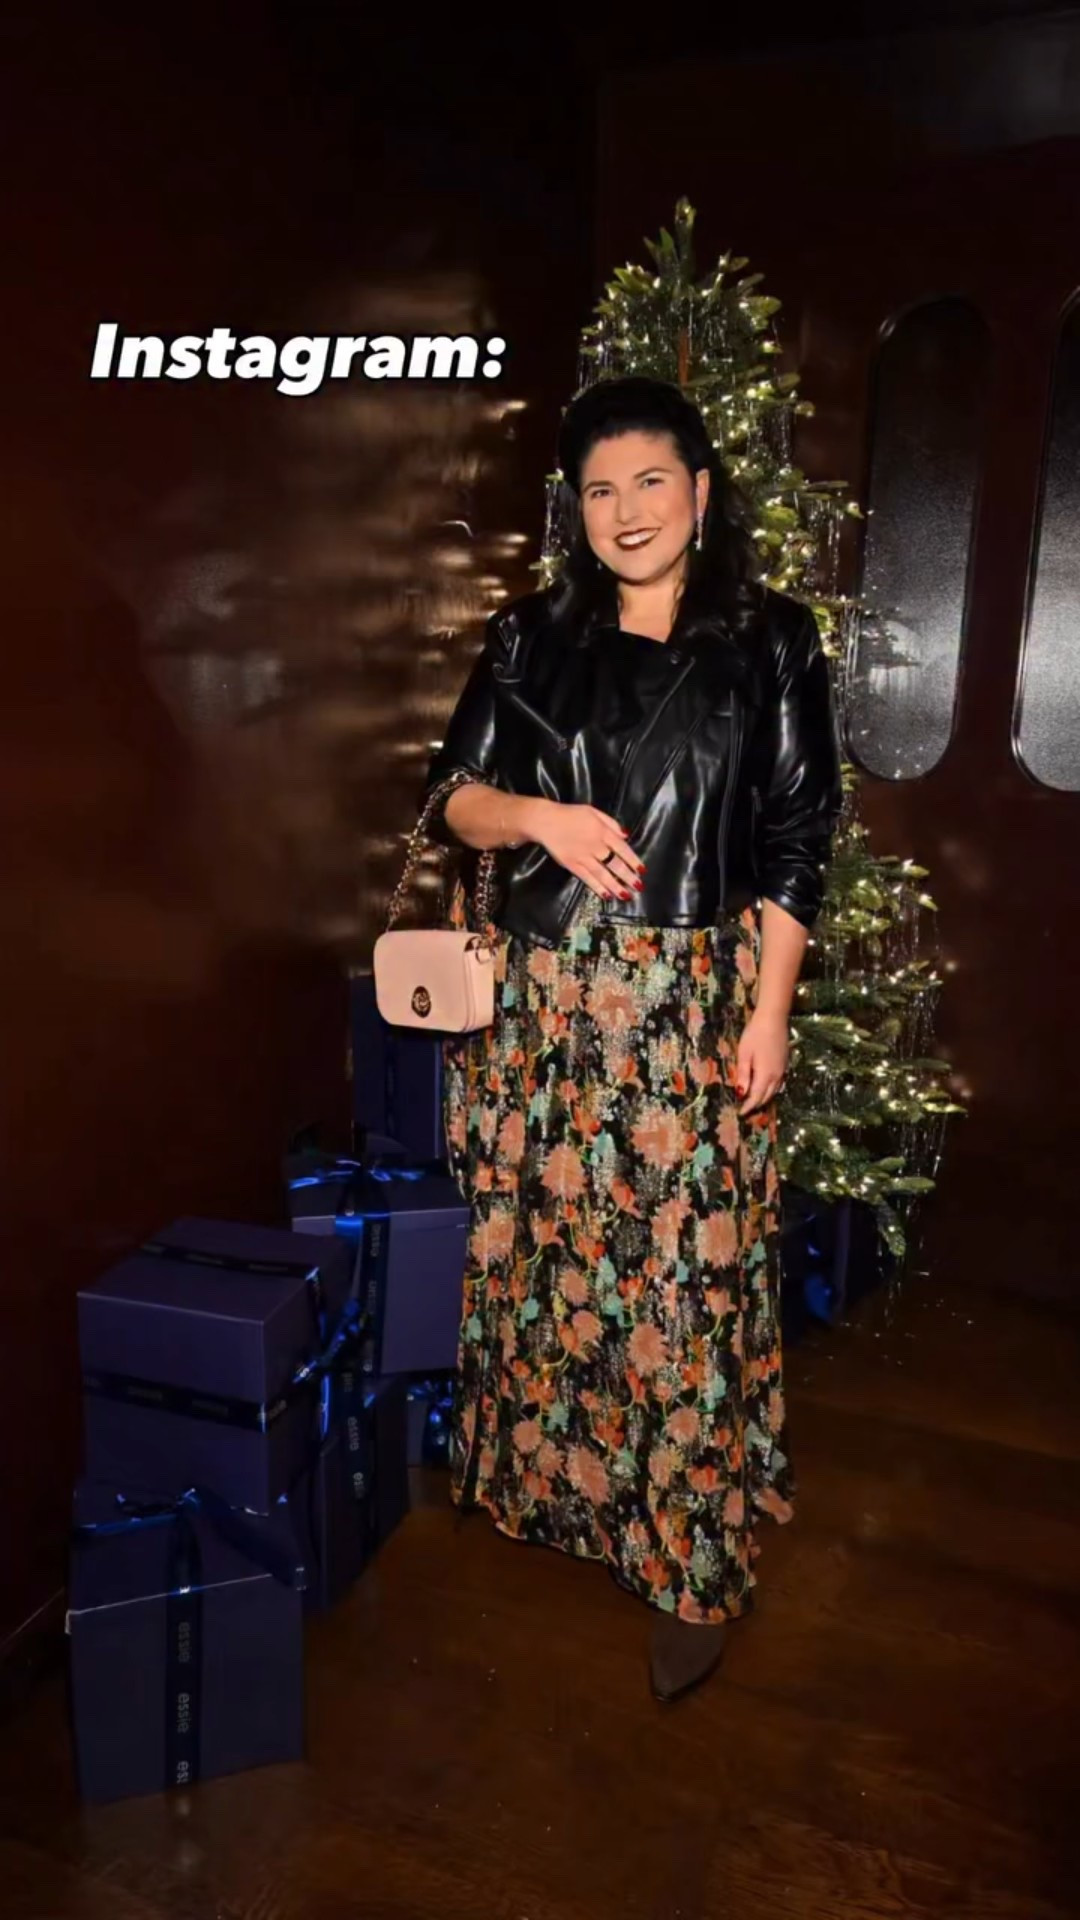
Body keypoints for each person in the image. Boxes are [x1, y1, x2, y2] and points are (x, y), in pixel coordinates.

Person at [418, 374, 844, 1702]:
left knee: (684, 1287)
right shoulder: (529, 636)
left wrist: (769, 1009)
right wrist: (537, 819)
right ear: (577, 510)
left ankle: (687, 1558)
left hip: (692, 1008)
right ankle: (560, 1502)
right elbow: (453, 802)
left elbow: (796, 838)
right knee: (547, 1270)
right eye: (600, 489)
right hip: (545, 1011)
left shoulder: (770, 640)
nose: (627, 510)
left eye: (651, 480)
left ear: (702, 493)